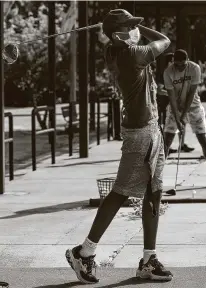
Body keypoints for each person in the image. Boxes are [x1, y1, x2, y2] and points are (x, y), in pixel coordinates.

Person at [65, 9, 173, 283]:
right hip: (140, 134)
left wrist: (130, 29)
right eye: (129, 27)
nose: (135, 30)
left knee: (154, 191)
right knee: (121, 192)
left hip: (150, 128)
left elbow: (142, 41)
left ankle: (149, 259)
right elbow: (165, 41)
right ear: (118, 33)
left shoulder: (116, 51)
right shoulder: (132, 53)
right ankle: (84, 252)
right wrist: (145, 28)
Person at [163, 49, 206, 192]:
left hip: (194, 107)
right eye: (177, 65)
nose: (180, 67)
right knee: (166, 141)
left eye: (182, 65)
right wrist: (177, 118)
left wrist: (183, 117)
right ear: (173, 62)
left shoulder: (194, 68)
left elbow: (191, 93)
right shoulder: (168, 72)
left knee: (203, 140)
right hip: (175, 108)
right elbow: (171, 97)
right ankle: (155, 179)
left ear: (187, 60)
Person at [157, 53, 194, 153]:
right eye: (173, 61)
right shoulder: (163, 74)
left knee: (182, 123)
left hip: (176, 104)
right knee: (166, 126)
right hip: (163, 104)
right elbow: (159, 90)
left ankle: (181, 145)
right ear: (169, 62)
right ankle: (164, 147)